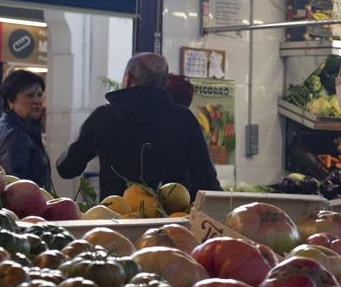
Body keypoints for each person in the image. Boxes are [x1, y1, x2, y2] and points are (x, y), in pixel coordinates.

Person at [57, 53, 221, 201]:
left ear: (127, 78)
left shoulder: (104, 117)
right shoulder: (185, 120)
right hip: (172, 221)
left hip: (117, 219)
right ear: (165, 83)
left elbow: (67, 168)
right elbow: (206, 180)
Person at [0, 70, 53, 191]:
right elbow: (15, 185)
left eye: (39, 95)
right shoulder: (14, 133)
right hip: (22, 208)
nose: (37, 101)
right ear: (10, 100)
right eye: (30, 95)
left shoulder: (16, 126)